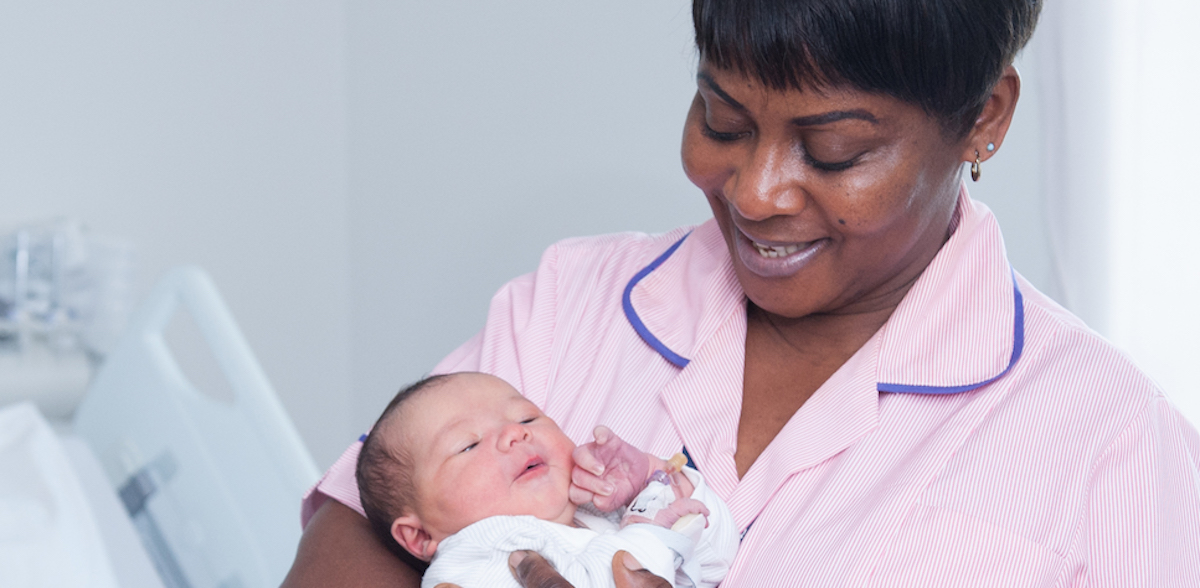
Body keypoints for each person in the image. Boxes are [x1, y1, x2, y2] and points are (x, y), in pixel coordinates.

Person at [283, 0, 1200, 586]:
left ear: (983, 118)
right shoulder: (572, 303)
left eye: (834, 150)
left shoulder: (1114, 446)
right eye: (722, 118)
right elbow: (362, 526)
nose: (756, 192)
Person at [354, 372, 737, 588]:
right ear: (420, 537)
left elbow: (718, 558)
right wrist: (648, 535)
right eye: (468, 445)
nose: (515, 434)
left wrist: (654, 480)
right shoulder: (471, 560)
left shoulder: (599, 514)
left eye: (526, 418)